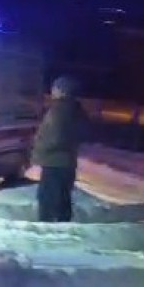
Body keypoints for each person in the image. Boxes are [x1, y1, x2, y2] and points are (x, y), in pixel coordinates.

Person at [31, 75, 90, 223]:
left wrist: (40, 148)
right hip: (68, 162)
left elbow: (54, 136)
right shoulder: (77, 110)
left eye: (55, 88)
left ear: (62, 91)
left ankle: (46, 230)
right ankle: (63, 227)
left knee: (47, 199)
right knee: (63, 198)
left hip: (53, 162)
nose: (52, 91)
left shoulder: (58, 110)